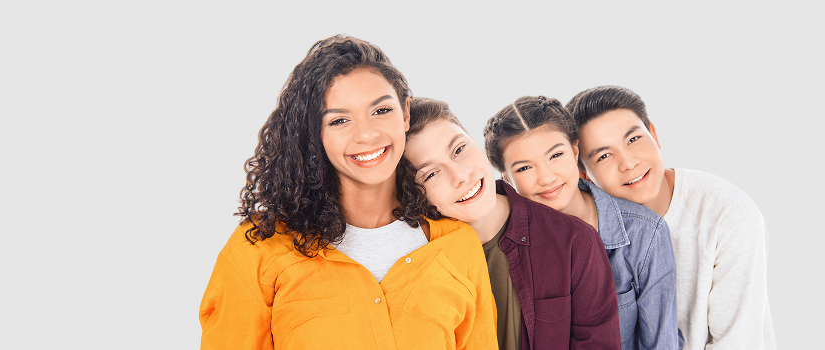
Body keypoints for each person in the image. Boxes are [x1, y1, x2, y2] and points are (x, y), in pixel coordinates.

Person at [199, 35, 497, 350]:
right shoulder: (260, 246)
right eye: (340, 120)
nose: (367, 134)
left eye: (381, 110)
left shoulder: (458, 247)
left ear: (405, 113)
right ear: (315, 133)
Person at [567, 86, 776, 349]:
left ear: (653, 134)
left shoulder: (728, 214)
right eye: (604, 155)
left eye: (633, 139)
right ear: (584, 175)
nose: (628, 163)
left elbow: (737, 341)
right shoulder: (581, 230)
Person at [403, 96, 621, 350]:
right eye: (431, 174)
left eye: (460, 149)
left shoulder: (575, 242)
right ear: (413, 192)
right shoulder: (414, 259)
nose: (461, 175)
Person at [485, 96, 684, 350]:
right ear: (507, 179)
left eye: (556, 155)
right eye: (524, 168)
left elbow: (661, 342)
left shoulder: (645, 232)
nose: (546, 177)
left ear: (575, 151)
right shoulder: (504, 242)